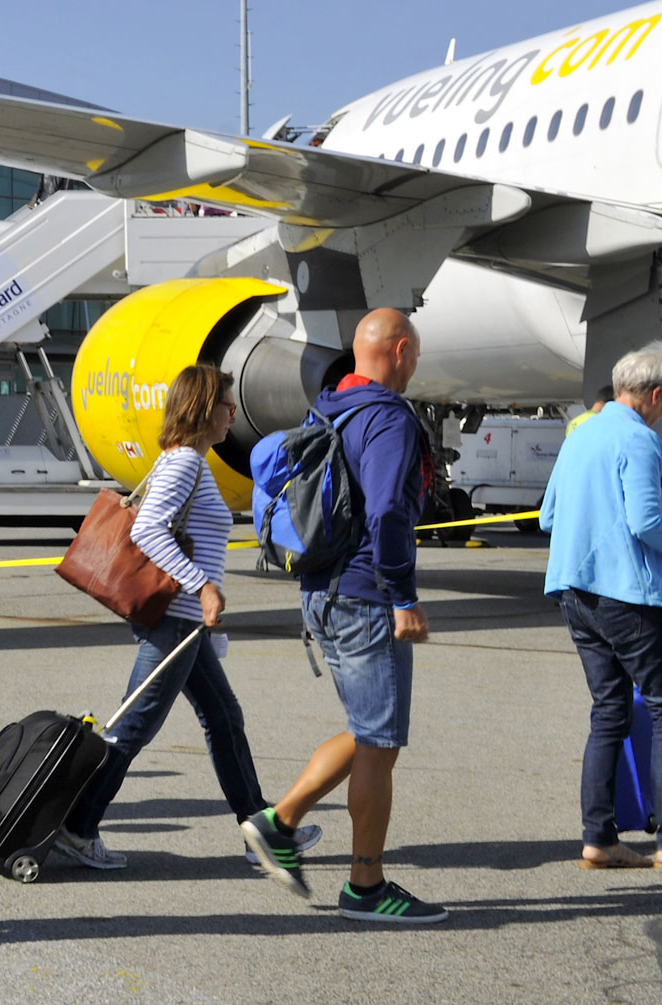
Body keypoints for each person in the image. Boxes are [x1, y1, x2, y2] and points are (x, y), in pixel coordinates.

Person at [53, 365, 317, 871]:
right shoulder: (183, 466)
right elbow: (148, 532)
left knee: (223, 717)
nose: (232, 413)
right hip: (175, 619)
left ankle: (258, 830)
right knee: (132, 728)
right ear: (201, 409)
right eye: (225, 404)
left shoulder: (186, 461)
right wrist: (203, 585)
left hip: (185, 623)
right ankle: (77, 830)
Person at [241, 307, 447, 923]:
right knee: (380, 743)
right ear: (402, 350)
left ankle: (278, 824)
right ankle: (365, 887)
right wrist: (404, 596)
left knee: (366, 729)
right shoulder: (388, 418)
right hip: (366, 594)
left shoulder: (330, 406)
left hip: (321, 589)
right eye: (415, 354)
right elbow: (387, 513)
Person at [541, 343, 662, 870]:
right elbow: (647, 522)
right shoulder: (640, 440)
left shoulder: (580, 433)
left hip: (574, 590)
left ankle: (598, 836)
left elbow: (547, 516)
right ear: (656, 396)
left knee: (608, 711)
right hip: (627, 594)